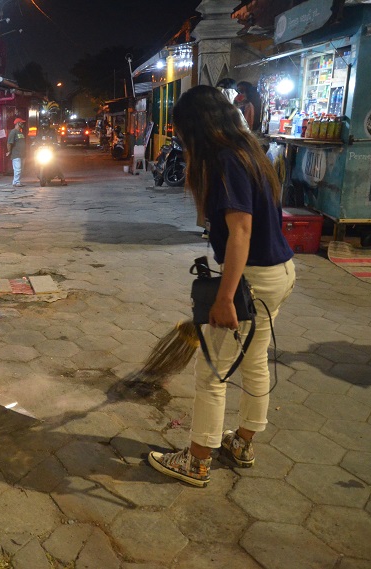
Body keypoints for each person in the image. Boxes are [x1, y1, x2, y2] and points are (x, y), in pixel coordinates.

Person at [147, 85, 296, 487]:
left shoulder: (228, 160)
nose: (179, 138)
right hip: (278, 273)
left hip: (251, 283)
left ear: (199, 127)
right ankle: (243, 442)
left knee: (212, 371)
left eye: (181, 131)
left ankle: (197, 461)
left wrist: (226, 297)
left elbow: (240, 233)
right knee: (254, 360)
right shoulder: (249, 152)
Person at [6, 117, 27, 187]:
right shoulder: (13, 132)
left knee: (20, 169)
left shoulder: (20, 132)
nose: (23, 124)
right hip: (16, 154)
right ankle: (17, 182)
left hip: (22, 154)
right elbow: (9, 143)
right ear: (18, 123)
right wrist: (9, 151)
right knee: (17, 169)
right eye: (21, 123)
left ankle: (15, 182)